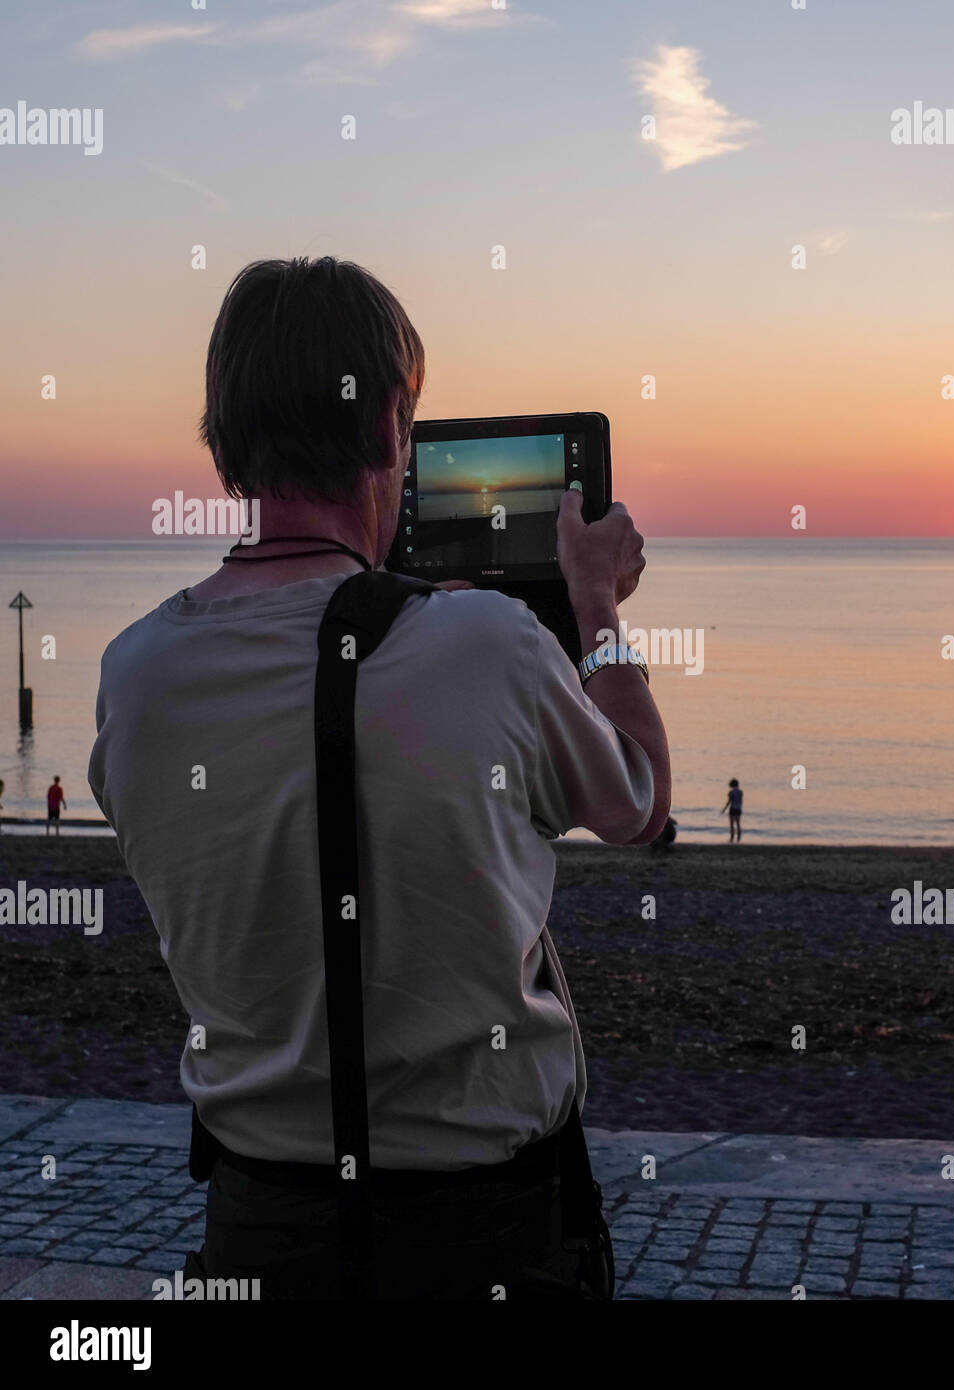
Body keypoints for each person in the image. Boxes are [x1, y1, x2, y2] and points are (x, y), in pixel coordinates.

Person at [88, 257, 671, 1299]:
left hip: (259, 1224)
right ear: (394, 426)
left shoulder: (135, 677)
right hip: (485, 1230)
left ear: (224, 433)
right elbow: (639, 800)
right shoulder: (487, 645)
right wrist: (596, 613)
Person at [721, 778, 743, 842]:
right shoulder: (740, 792)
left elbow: (729, 802)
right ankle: (739, 837)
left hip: (733, 808)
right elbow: (740, 801)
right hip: (738, 809)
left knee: (732, 824)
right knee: (738, 823)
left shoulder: (731, 792)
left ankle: (732, 837)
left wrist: (724, 809)